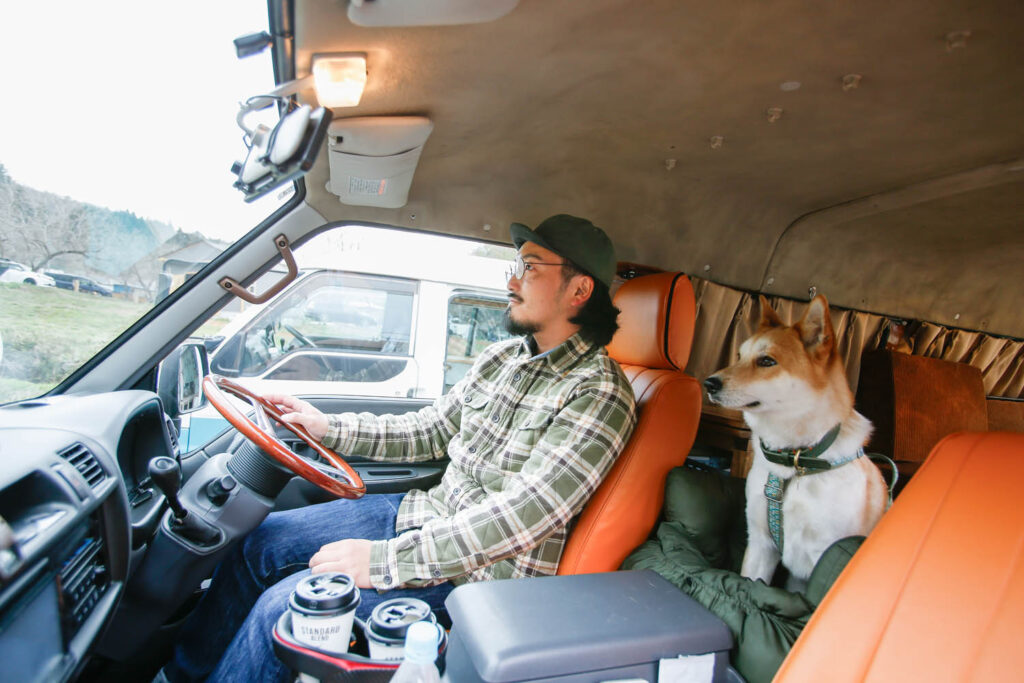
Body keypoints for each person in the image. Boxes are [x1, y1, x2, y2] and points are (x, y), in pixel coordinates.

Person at [161, 214, 638, 682]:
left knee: (287, 610)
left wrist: (385, 563)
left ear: (580, 290)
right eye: (514, 265)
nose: (512, 280)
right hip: (424, 514)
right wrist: (325, 426)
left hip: (479, 579)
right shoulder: (503, 359)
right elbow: (430, 430)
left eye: (530, 267)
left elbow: (523, 515)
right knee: (257, 542)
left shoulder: (598, 394)